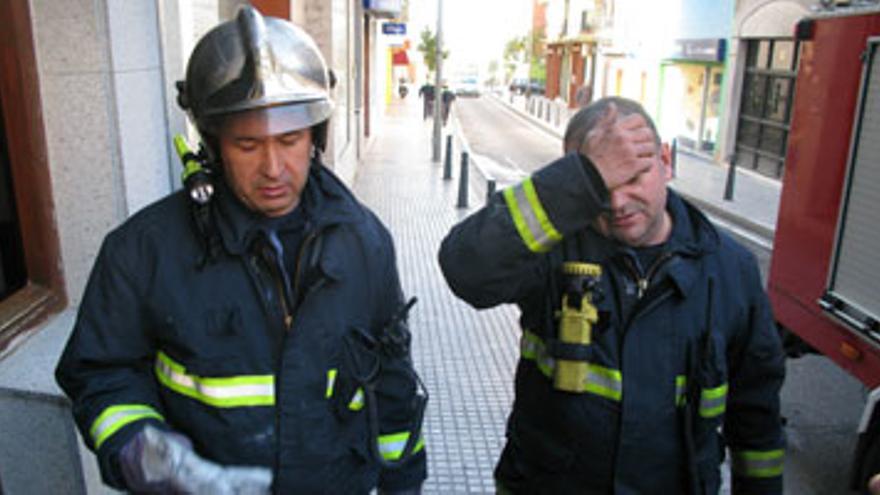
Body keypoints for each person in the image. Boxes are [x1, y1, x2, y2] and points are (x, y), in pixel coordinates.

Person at [55, 7, 426, 494]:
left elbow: (392, 379)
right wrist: (140, 449)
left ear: (316, 136)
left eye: (290, 140)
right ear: (213, 145)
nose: (273, 167)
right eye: (247, 144)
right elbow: (100, 372)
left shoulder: (364, 241)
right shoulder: (142, 251)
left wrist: (403, 484)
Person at [438, 96, 785, 494]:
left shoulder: (730, 269)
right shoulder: (554, 249)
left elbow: (757, 418)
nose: (617, 202)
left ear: (666, 161)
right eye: (601, 186)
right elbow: (465, 268)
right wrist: (577, 181)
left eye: (633, 178)